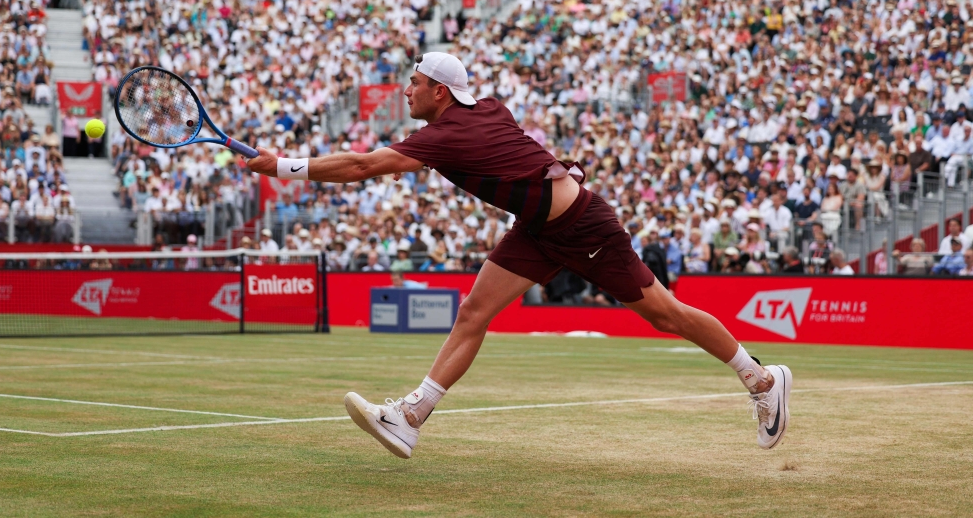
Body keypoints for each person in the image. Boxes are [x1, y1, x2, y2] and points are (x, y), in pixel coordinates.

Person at [245, 52, 792, 459]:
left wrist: (284, 166)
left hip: (583, 226)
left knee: (663, 314)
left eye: (413, 83)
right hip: (536, 228)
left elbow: (363, 167)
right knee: (473, 312)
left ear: (438, 90)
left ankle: (763, 381)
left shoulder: (447, 134)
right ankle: (411, 417)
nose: (404, 92)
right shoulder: (478, 110)